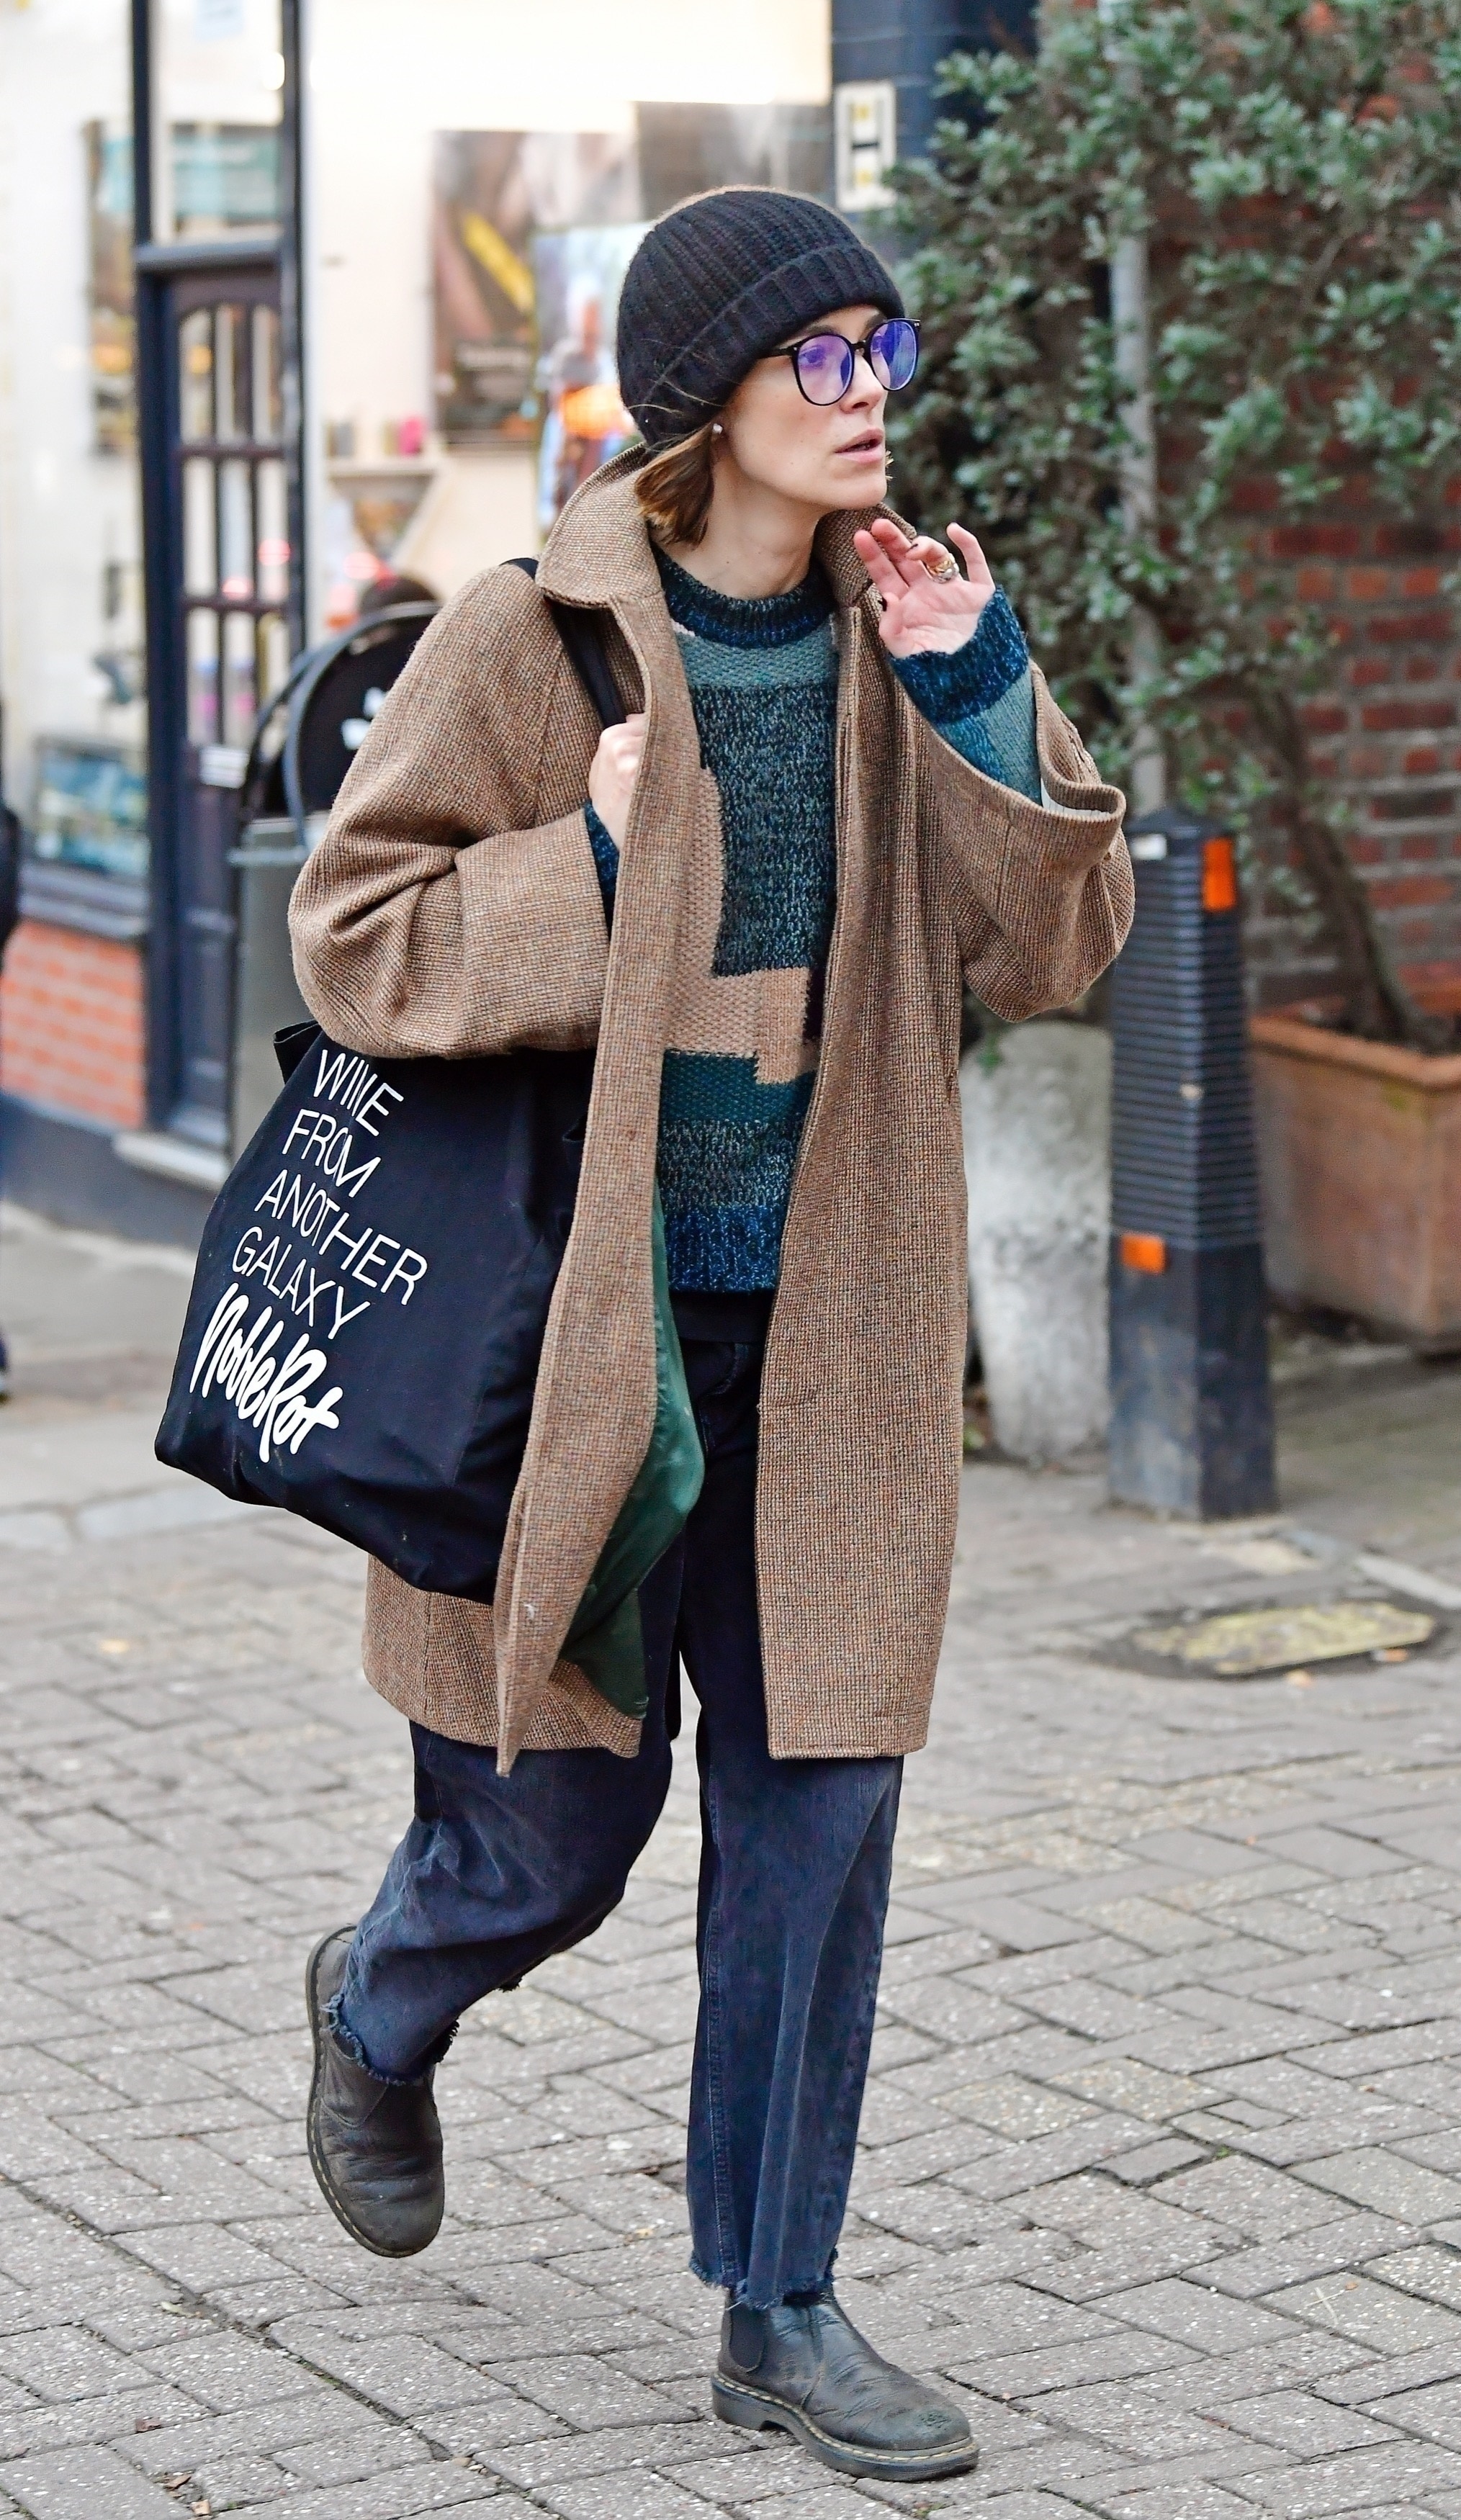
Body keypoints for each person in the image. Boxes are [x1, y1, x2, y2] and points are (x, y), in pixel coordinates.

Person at [289, 186, 1132, 2486]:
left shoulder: (913, 631)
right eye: (827, 357)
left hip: (837, 1337)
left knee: (820, 1812)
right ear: (714, 397)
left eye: (888, 353)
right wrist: (580, 850)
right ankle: (382, 1994)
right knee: (560, 1819)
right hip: (588, 1349)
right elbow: (351, 932)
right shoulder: (528, 639)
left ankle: (781, 2301)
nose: (871, 398)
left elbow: (1054, 949)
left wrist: (977, 698)